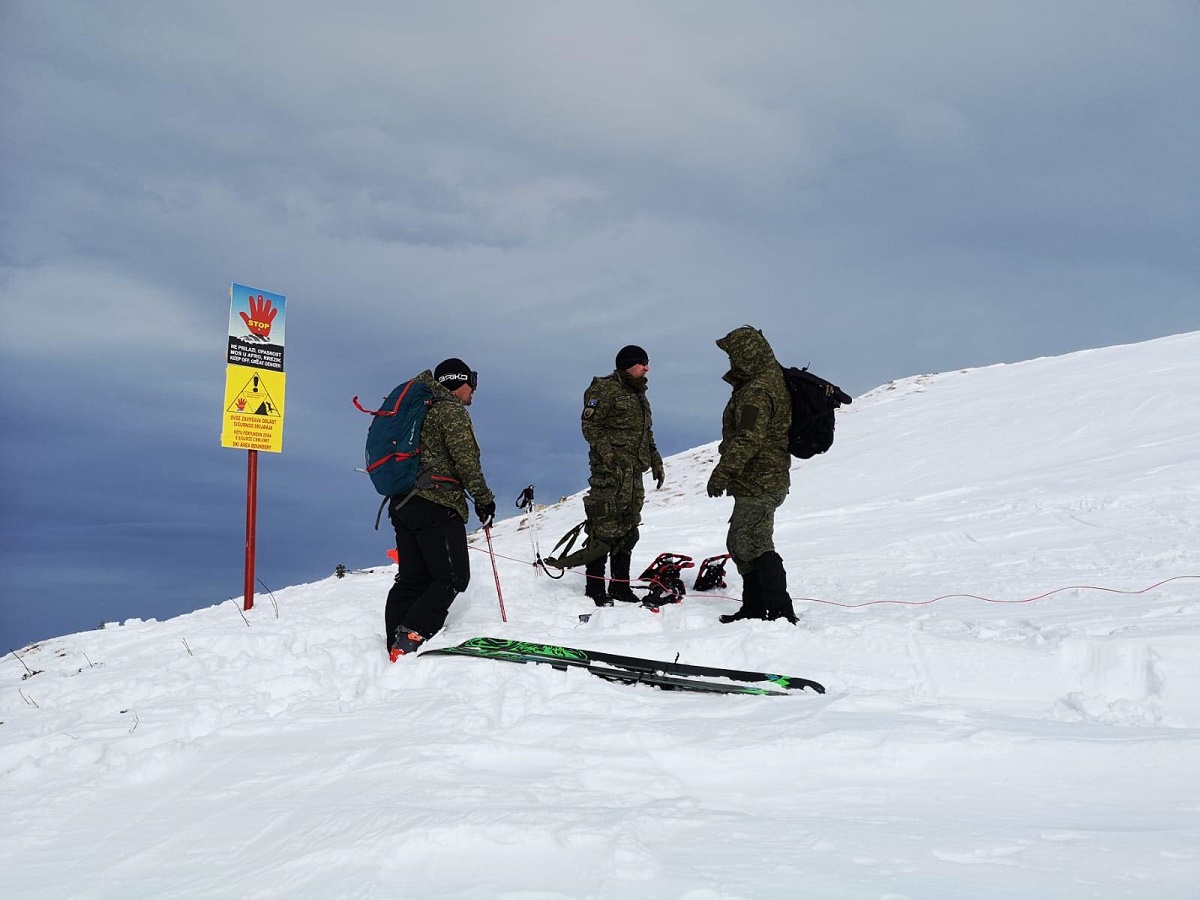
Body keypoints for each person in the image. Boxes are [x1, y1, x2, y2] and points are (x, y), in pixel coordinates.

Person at [385, 357, 496, 660]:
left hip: (404, 502)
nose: (473, 388)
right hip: (436, 503)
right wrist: (484, 499)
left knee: (412, 577)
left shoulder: (423, 409)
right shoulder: (450, 411)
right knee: (452, 577)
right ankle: (410, 636)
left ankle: (394, 643)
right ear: (458, 381)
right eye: (471, 380)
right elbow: (467, 460)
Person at [706, 326, 798, 624]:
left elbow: (748, 438)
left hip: (761, 479)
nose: (731, 361)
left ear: (746, 355)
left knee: (755, 542)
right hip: (758, 478)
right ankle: (755, 607)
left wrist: (722, 473)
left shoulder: (758, 391)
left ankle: (779, 609)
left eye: (734, 355)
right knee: (742, 542)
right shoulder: (764, 381)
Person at [577, 344, 665, 605]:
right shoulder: (603, 389)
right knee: (604, 526)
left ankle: (619, 586)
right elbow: (590, 426)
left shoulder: (640, 395)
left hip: (634, 473)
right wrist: (607, 454)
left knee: (628, 527)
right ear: (628, 364)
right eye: (642, 363)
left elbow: (645, 434)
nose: (647, 368)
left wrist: (656, 462)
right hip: (610, 473)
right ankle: (595, 587)